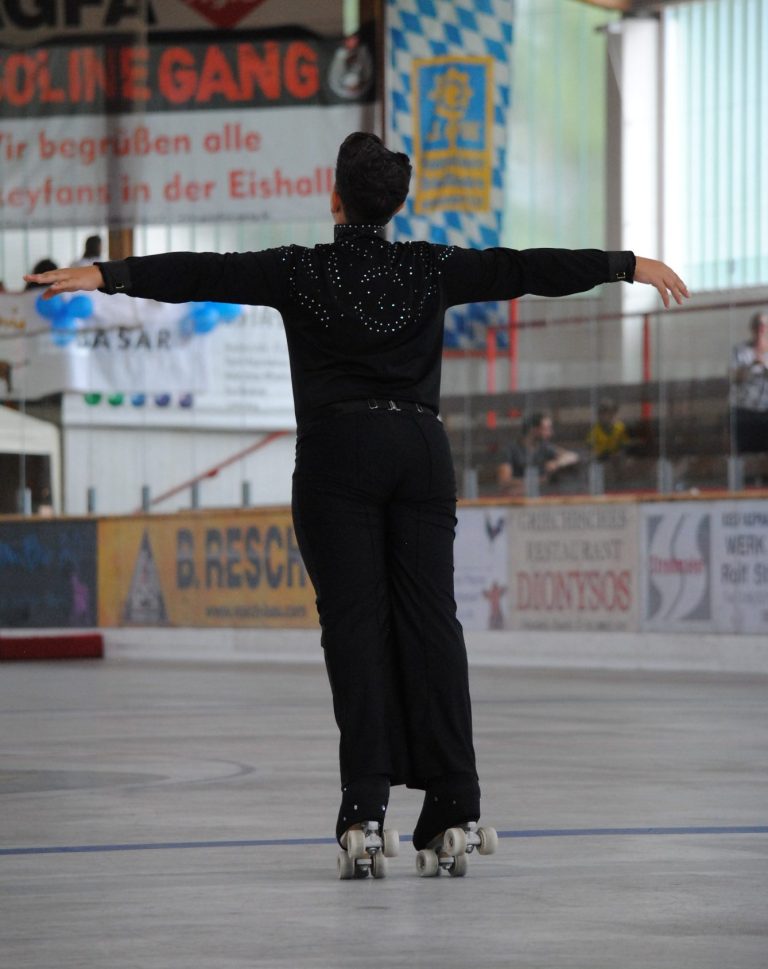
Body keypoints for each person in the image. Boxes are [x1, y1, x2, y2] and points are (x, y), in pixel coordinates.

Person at [24, 131, 689, 872]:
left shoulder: (301, 270)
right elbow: (523, 267)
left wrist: (105, 274)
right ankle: (455, 803)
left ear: (333, 196)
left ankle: (366, 809)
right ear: (397, 203)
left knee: (356, 629)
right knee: (433, 621)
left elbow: (199, 272)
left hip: (340, 455)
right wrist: (624, 265)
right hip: (421, 451)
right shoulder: (429, 263)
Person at [498, 411, 579, 495]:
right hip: (517, 496)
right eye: (546, 429)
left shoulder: (545, 447)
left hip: (542, 495)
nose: (550, 433)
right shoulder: (510, 450)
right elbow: (504, 481)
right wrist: (538, 481)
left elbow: (572, 456)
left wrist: (556, 463)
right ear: (533, 430)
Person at [730, 311, 768, 454]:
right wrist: (752, 365)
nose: (760, 328)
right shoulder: (740, 351)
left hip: (766, 411)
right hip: (745, 411)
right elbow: (733, 376)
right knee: (746, 453)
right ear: (752, 328)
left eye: (763, 325)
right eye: (757, 325)